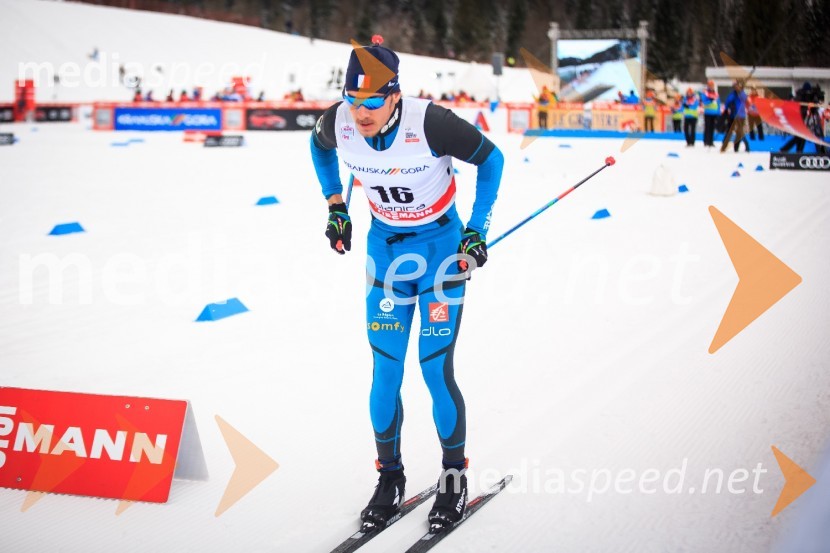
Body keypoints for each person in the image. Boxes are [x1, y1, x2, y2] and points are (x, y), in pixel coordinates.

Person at [309, 36, 503, 531]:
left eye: (372, 101)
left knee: (434, 369)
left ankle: (454, 476)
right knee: (385, 373)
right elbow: (318, 147)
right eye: (352, 101)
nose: (360, 113)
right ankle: (390, 477)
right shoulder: (339, 121)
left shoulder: (431, 122)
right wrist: (336, 206)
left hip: (441, 255)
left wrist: (477, 229)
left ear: (395, 94)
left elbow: (491, 159)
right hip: (385, 256)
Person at [721, 80, 749, 153]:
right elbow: (728, 102)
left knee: (739, 132)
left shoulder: (742, 94)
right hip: (733, 115)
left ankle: (739, 147)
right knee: (729, 131)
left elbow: (745, 99)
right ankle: (724, 146)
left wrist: (739, 91)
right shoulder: (733, 94)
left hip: (740, 116)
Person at [699, 80, 721, 147]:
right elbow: (703, 102)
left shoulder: (716, 94)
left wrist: (718, 112)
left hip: (714, 113)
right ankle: (706, 141)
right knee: (707, 127)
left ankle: (711, 141)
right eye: (710, 85)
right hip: (708, 112)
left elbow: (718, 103)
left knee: (712, 128)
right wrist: (710, 101)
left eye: (712, 85)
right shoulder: (705, 93)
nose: (711, 87)